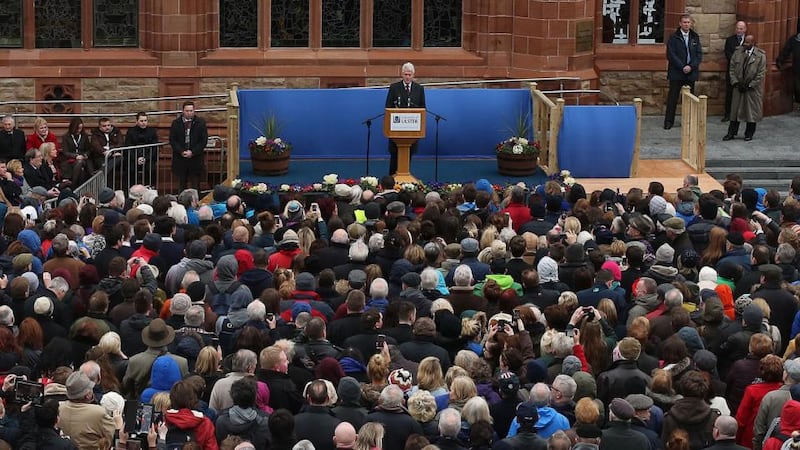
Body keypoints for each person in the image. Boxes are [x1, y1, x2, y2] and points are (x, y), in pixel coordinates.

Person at [384, 62, 426, 175]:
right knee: (394, 157)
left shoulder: (419, 89)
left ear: (413, 75)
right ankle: (392, 180)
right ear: (402, 74)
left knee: (408, 155)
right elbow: (388, 106)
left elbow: (422, 108)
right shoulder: (394, 88)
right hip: (396, 130)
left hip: (411, 131)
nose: (408, 77)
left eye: (410, 74)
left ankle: (405, 178)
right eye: (406, 74)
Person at [723, 35, 766, 142]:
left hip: (752, 89)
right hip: (739, 86)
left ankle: (749, 133)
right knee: (735, 112)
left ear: (753, 43)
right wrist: (736, 82)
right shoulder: (738, 52)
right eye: (745, 42)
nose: (745, 44)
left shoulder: (760, 56)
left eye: (748, 43)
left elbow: (761, 73)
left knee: (751, 112)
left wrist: (750, 84)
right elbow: (732, 68)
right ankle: (731, 132)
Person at [664, 14, 703, 130]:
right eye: (684, 22)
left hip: (691, 73)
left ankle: (689, 121)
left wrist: (691, 66)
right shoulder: (673, 37)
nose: (686, 24)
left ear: (691, 24)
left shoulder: (695, 37)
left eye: (688, 22)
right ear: (680, 24)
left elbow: (698, 55)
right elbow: (671, 54)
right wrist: (682, 67)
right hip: (677, 72)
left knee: (690, 98)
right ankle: (669, 121)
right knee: (673, 98)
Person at [170, 100, 208, 190]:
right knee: (182, 185)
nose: (189, 113)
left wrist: (192, 152)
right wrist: (181, 151)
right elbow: (173, 140)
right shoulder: (176, 123)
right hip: (180, 159)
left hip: (195, 159)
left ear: (194, 111)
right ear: (183, 111)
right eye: (187, 111)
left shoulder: (200, 123)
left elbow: (203, 141)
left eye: (191, 111)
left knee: (195, 185)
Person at [125, 111, 159, 187]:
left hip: (148, 158)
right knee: (130, 170)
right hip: (134, 159)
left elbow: (154, 148)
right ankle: (130, 191)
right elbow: (128, 147)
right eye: (141, 121)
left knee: (151, 170)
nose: (143, 123)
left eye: (145, 121)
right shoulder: (131, 131)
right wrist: (136, 158)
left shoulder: (152, 131)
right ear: (137, 121)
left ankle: (150, 190)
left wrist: (145, 158)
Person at [723, 21, 747, 122]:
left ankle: (743, 114)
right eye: (737, 28)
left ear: (745, 29)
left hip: (745, 71)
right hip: (732, 70)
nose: (739, 30)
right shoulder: (730, 40)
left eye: (741, 29)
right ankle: (728, 114)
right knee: (730, 93)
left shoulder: (748, 40)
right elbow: (728, 54)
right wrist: (737, 62)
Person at [60, 117, 91, 186]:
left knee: (80, 163)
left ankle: (73, 185)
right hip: (70, 159)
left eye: (81, 128)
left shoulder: (84, 136)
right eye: (78, 128)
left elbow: (88, 149)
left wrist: (85, 155)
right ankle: (75, 185)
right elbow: (65, 152)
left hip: (83, 158)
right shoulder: (66, 137)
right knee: (80, 168)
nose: (79, 130)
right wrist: (75, 156)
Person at [777, 30, 800, 109]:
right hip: (797, 69)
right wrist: (780, 60)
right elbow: (786, 50)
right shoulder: (794, 40)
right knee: (797, 87)